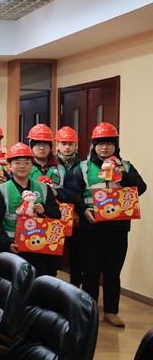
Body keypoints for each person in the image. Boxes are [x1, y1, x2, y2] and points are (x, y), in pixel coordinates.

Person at [68, 122, 146, 327]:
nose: (105, 147)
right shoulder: (83, 167)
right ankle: (90, 311)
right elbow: (73, 193)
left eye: (109, 143)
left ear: (115, 146)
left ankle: (111, 312)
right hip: (91, 227)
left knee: (113, 272)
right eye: (100, 143)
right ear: (93, 145)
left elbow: (141, 187)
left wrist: (121, 172)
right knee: (91, 271)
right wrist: (82, 211)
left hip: (118, 228)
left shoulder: (125, 165)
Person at [0, 142, 61, 277]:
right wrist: (6, 245)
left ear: (32, 165)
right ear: (10, 166)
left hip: (39, 247)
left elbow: (57, 215)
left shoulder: (44, 188)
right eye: (17, 163)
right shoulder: (1, 191)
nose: (22, 166)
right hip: (12, 248)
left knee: (38, 283)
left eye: (26, 162)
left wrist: (44, 209)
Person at [56, 126, 83, 287]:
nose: (67, 147)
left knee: (77, 256)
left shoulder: (83, 165)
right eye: (63, 143)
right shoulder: (51, 165)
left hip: (77, 218)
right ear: (57, 145)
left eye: (70, 144)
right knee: (53, 254)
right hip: (54, 216)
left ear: (76, 145)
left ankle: (75, 288)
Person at [26, 124, 66, 192]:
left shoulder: (60, 168)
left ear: (50, 148)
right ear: (31, 147)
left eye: (45, 145)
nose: (41, 148)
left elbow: (73, 192)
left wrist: (57, 193)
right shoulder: (24, 167)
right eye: (38, 145)